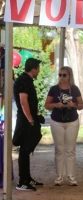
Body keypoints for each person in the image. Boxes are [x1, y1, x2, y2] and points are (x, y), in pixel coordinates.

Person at [44, 66, 83, 186]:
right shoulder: (54, 89)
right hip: (57, 121)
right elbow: (47, 105)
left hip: (72, 121)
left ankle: (71, 176)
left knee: (70, 149)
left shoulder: (75, 89)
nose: (61, 77)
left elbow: (81, 105)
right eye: (60, 75)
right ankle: (59, 176)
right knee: (59, 149)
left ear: (69, 76)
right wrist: (56, 104)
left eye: (64, 75)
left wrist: (74, 105)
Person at [13, 58, 43, 191]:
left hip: (28, 119)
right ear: (34, 69)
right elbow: (23, 101)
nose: (39, 71)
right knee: (24, 150)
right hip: (25, 121)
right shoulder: (23, 81)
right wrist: (30, 120)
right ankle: (22, 181)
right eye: (38, 68)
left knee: (27, 149)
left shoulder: (27, 80)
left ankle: (27, 177)